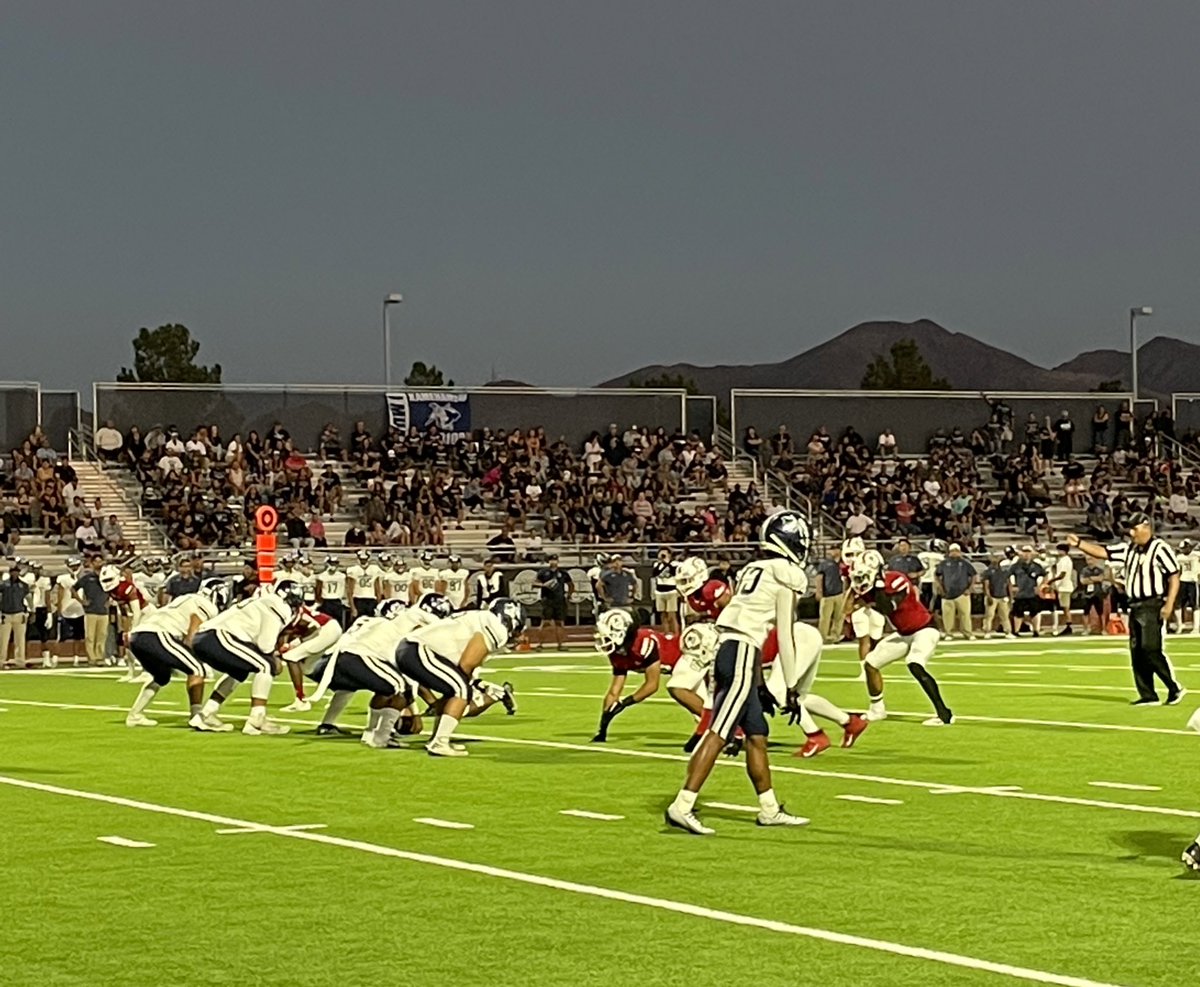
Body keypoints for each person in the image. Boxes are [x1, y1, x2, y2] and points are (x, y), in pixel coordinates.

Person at [664, 510, 812, 836]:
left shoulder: (753, 568)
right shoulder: (786, 572)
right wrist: (791, 686)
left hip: (734, 650)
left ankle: (770, 809)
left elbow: (748, 625)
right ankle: (683, 805)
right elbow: (784, 634)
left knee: (757, 735)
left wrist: (759, 684)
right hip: (741, 652)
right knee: (719, 732)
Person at [1067, 513, 1184, 705]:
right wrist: (1079, 543)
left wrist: (1169, 603)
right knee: (1136, 651)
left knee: (1150, 648)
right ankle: (1148, 694)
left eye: (1134, 528)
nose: (1131, 533)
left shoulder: (1160, 548)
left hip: (1151, 603)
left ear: (1146, 527)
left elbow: (1174, 575)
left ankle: (1174, 687)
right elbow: (1103, 552)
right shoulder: (1128, 548)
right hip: (1134, 604)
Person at [394, 598, 526, 757]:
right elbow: (467, 664)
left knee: (455, 691)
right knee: (461, 690)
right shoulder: (495, 627)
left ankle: (437, 739)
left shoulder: (479, 617)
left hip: (409, 649)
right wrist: (466, 691)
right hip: (418, 650)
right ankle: (439, 742)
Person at [851, 556, 954, 726]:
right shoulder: (869, 589)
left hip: (925, 629)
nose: (860, 581)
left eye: (863, 576)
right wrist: (853, 591)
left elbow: (888, 607)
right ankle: (877, 710)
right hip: (904, 633)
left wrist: (878, 587)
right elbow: (846, 608)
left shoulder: (896, 579)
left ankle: (944, 714)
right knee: (870, 663)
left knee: (914, 663)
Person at [188, 587, 300, 734]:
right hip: (220, 636)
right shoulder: (279, 606)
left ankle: (205, 714)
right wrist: (275, 658)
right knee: (266, 666)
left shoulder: (262, 601)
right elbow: (265, 646)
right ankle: (256, 719)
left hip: (203, 638)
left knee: (239, 671)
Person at [124, 580, 225, 727]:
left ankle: (135, 715)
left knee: (162, 676)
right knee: (197, 669)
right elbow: (192, 633)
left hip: (138, 637)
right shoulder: (206, 605)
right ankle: (197, 715)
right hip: (156, 634)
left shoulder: (185, 598)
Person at [591, 608, 679, 742]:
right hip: (674, 669)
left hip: (685, 659)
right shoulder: (617, 652)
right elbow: (614, 692)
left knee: (689, 696)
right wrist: (604, 723)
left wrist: (625, 703)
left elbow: (652, 685)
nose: (605, 639)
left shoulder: (643, 643)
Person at [934, 543, 976, 640]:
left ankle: (968, 633)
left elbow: (973, 575)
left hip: (962, 593)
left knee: (965, 615)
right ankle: (948, 633)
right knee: (947, 615)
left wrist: (969, 588)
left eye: (956, 551)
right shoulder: (943, 563)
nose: (954, 553)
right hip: (947, 593)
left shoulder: (965, 563)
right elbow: (936, 575)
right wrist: (940, 587)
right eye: (952, 551)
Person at [534, 555, 572, 650]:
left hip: (559, 600)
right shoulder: (543, 572)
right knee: (545, 623)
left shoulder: (563, 573)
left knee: (559, 623)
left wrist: (569, 595)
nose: (553, 562)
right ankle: (540, 644)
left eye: (555, 560)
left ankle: (560, 644)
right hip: (547, 600)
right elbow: (534, 583)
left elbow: (571, 584)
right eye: (551, 560)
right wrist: (543, 585)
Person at [814, 544, 846, 644]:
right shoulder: (825, 563)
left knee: (839, 617)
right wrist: (819, 591)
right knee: (824, 618)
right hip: (827, 594)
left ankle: (835, 636)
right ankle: (822, 638)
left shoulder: (843, 563)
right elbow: (819, 577)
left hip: (840, 593)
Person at [0, 562, 30, 669]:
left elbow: (28, 598)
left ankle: (20, 661)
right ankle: (1, 661)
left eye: (16, 572)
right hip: (6, 614)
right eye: (13, 572)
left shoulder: (23, 585)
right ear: (10, 572)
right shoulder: (3, 585)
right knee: (3, 640)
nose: (15, 574)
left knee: (20, 640)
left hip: (19, 613)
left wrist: (30, 611)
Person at [980, 551, 1013, 638]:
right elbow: (986, 585)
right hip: (993, 596)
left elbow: (1008, 584)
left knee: (1005, 615)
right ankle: (987, 631)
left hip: (1003, 596)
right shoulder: (987, 571)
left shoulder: (1004, 571)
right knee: (989, 615)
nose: (996, 559)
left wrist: (1011, 597)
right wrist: (988, 596)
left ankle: (1008, 631)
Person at [651, 548, 679, 635]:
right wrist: (661, 563)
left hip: (671, 591)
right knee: (663, 615)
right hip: (660, 592)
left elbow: (673, 572)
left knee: (671, 615)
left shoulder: (674, 564)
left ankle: (675, 633)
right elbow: (655, 574)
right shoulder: (657, 564)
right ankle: (666, 632)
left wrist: (667, 563)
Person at [1175, 540, 1199, 634]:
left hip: (1193, 581)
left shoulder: (1195, 555)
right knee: (1178, 605)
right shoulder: (1179, 557)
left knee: (1195, 605)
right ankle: (1180, 625)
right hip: (1183, 581)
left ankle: (1196, 627)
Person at [315, 556, 347, 628]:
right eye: (331, 564)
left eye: (335, 564)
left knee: (338, 622)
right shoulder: (322, 576)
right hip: (327, 601)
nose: (333, 566)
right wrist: (319, 601)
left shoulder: (341, 576)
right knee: (326, 623)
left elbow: (344, 587)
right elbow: (318, 590)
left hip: (337, 600)